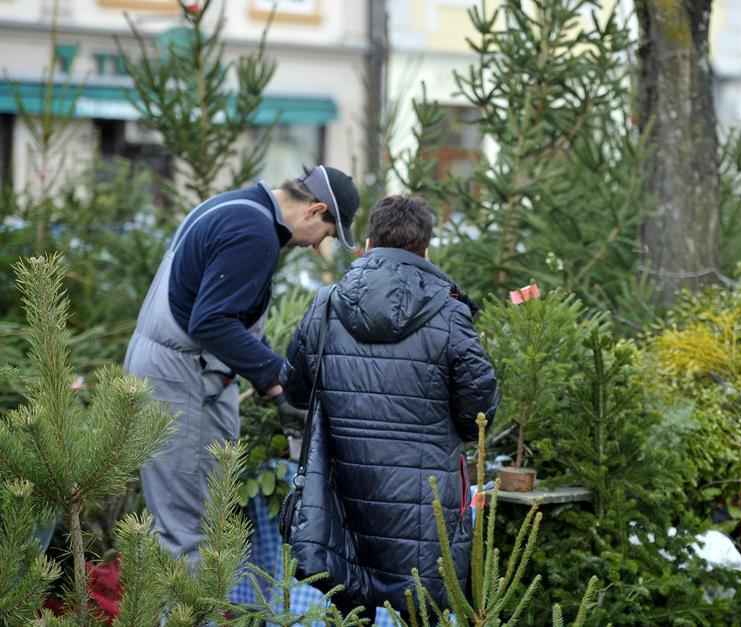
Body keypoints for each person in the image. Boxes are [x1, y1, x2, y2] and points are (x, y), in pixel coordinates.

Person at [124, 166, 360, 559]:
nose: (319, 246)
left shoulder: (237, 207)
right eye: (328, 234)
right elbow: (211, 321)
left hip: (173, 367)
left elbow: (233, 315)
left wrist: (278, 382)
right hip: (182, 379)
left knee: (199, 520)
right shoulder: (254, 232)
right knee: (189, 531)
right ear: (314, 210)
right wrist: (278, 379)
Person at [280, 195, 499, 618]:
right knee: (423, 609)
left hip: (342, 505)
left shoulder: (325, 306)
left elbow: (294, 390)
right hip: (425, 516)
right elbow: (480, 415)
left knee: (347, 610)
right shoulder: (451, 314)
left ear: (366, 243)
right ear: (427, 250)